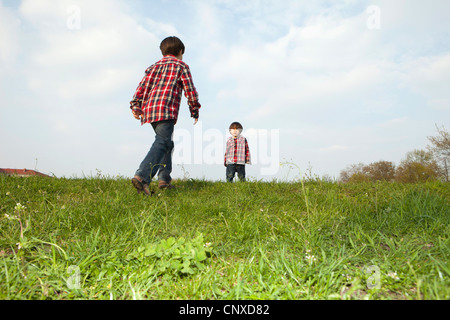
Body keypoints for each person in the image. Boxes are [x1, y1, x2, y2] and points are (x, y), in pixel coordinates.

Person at [129, 36, 201, 195]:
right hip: (166, 110)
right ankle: (142, 176)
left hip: (150, 111)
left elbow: (141, 87)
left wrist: (136, 106)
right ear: (180, 51)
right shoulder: (181, 66)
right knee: (162, 142)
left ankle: (164, 180)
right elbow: (190, 90)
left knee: (167, 144)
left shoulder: (153, 67)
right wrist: (194, 109)